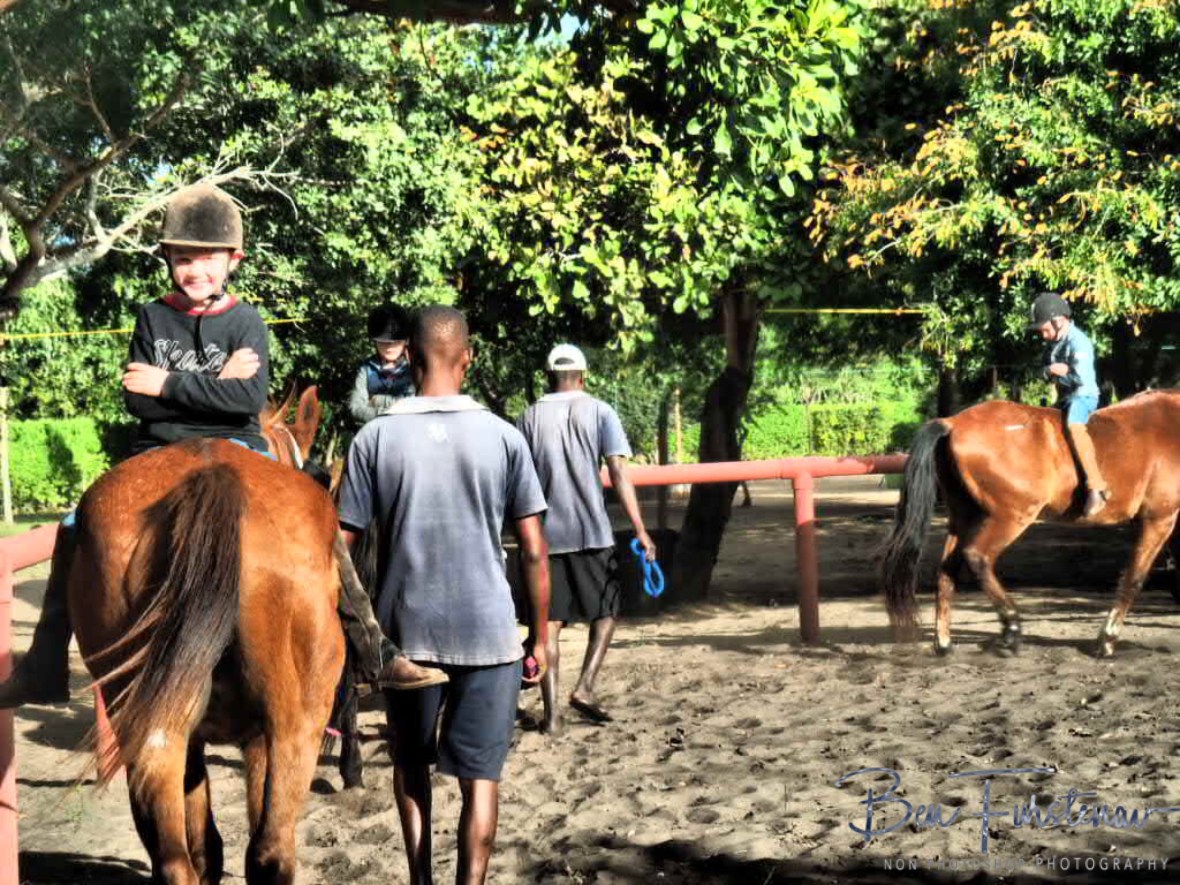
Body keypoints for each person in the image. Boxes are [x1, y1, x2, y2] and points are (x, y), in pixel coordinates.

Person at [0, 183, 438, 709]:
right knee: (77, 524)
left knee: (315, 514)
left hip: (239, 443)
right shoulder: (151, 317)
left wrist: (166, 384)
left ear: (233, 260)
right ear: (168, 259)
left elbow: (245, 401)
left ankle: (373, 645)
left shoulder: (246, 320)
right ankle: (46, 662)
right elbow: (137, 404)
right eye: (183, 259)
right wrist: (209, 385)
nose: (195, 271)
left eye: (207, 259)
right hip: (157, 449)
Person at [337, 305, 550, 885]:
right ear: (469, 358)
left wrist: (357, 631)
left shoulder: (373, 438)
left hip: (406, 637)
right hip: (489, 632)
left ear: (407, 356)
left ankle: (420, 880)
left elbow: (340, 544)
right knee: (481, 779)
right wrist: (541, 636)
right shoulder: (505, 437)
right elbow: (533, 548)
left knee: (410, 765)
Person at [517, 344, 656, 735]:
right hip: (591, 531)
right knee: (608, 609)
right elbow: (620, 473)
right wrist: (641, 530)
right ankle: (586, 686)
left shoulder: (526, 418)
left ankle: (552, 716)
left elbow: (515, 483)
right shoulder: (599, 411)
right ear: (584, 375)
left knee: (548, 626)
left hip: (542, 538)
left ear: (548, 375)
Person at [1028, 291, 1110, 517]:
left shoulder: (1079, 342)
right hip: (1064, 397)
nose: (1043, 335)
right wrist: (1051, 371)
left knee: (1074, 424)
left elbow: (1080, 379)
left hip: (1082, 396)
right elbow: (1043, 371)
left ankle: (1096, 487)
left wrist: (1058, 374)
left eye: (1045, 329)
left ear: (1059, 321)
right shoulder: (1055, 342)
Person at [349, 303, 415, 425]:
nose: (390, 347)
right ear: (374, 342)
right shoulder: (366, 369)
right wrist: (392, 409)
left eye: (396, 342)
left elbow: (411, 408)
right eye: (383, 342)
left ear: (405, 341)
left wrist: (376, 400)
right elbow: (355, 409)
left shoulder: (413, 370)